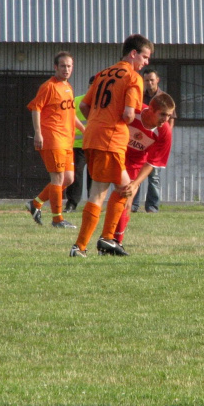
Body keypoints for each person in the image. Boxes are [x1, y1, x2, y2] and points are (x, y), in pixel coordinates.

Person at [70, 34, 153, 257]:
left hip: (92, 137)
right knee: (116, 190)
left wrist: (100, 119)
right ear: (133, 53)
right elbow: (127, 115)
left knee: (112, 189)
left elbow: (85, 107)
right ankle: (88, 244)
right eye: (145, 57)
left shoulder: (102, 73)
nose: (146, 62)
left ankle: (99, 242)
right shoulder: (133, 78)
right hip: (111, 139)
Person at [109, 92, 175, 253]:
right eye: (163, 115)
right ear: (151, 109)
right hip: (115, 152)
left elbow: (152, 162)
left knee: (127, 198)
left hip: (135, 163)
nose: (166, 120)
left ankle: (116, 241)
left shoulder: (164, 132)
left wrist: (136, 183)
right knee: (101, 192)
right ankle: (105, 239)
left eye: (169, 115)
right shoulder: (134, 112)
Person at [25, 51, 83, 228]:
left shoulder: (68, 87)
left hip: (67, 139)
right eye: (63, 66)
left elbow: (70, 114)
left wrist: (84, 130)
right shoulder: (48, 86)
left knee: (69, 179)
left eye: (69, 66)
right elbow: (36, 108)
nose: (66, 69)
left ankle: (35, 203)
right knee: (57, 178)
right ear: (55, 67)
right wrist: (38, 132)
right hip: (53, 137)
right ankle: (57, 219)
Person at [131, 68, 170, 213]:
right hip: (140, 139)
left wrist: (163, 138)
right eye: (146, 80)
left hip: (155, 140)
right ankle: (133, 205)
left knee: (154, 176)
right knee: (136, 174)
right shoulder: (139, 96)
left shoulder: (164, 98)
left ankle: (152, 207)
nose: (149, 82)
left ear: (157, 80)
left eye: (151, 80)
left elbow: (169, 122)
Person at [64, 77, 95, 214]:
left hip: (96, 145)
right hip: (78, 145)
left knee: (94, 175)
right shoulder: (77, 101)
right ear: (88, 86)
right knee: (76, 173)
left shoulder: (104, 104)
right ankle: (72, 203)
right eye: (92, 86)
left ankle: (93, 204)